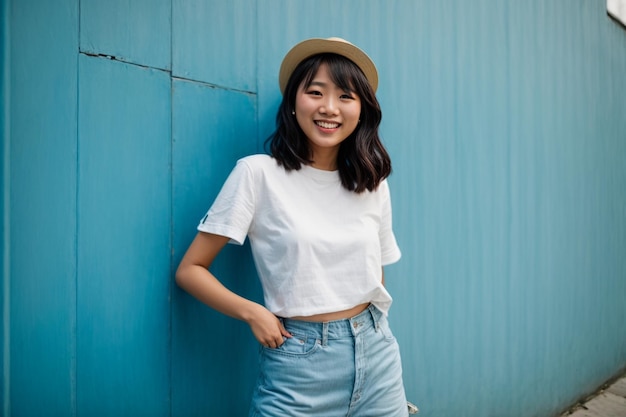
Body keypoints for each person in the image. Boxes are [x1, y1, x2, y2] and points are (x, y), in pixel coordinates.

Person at [176, 37, 409, 416]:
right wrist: (254, 313)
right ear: (294, 101)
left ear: (362, 109)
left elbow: (377, 270)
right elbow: (190, 270)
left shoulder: (372, 183)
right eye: (315, 92)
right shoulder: (257, 174)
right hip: (299, 364)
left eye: (346, 96)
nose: (329, 108)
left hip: (377, 353)